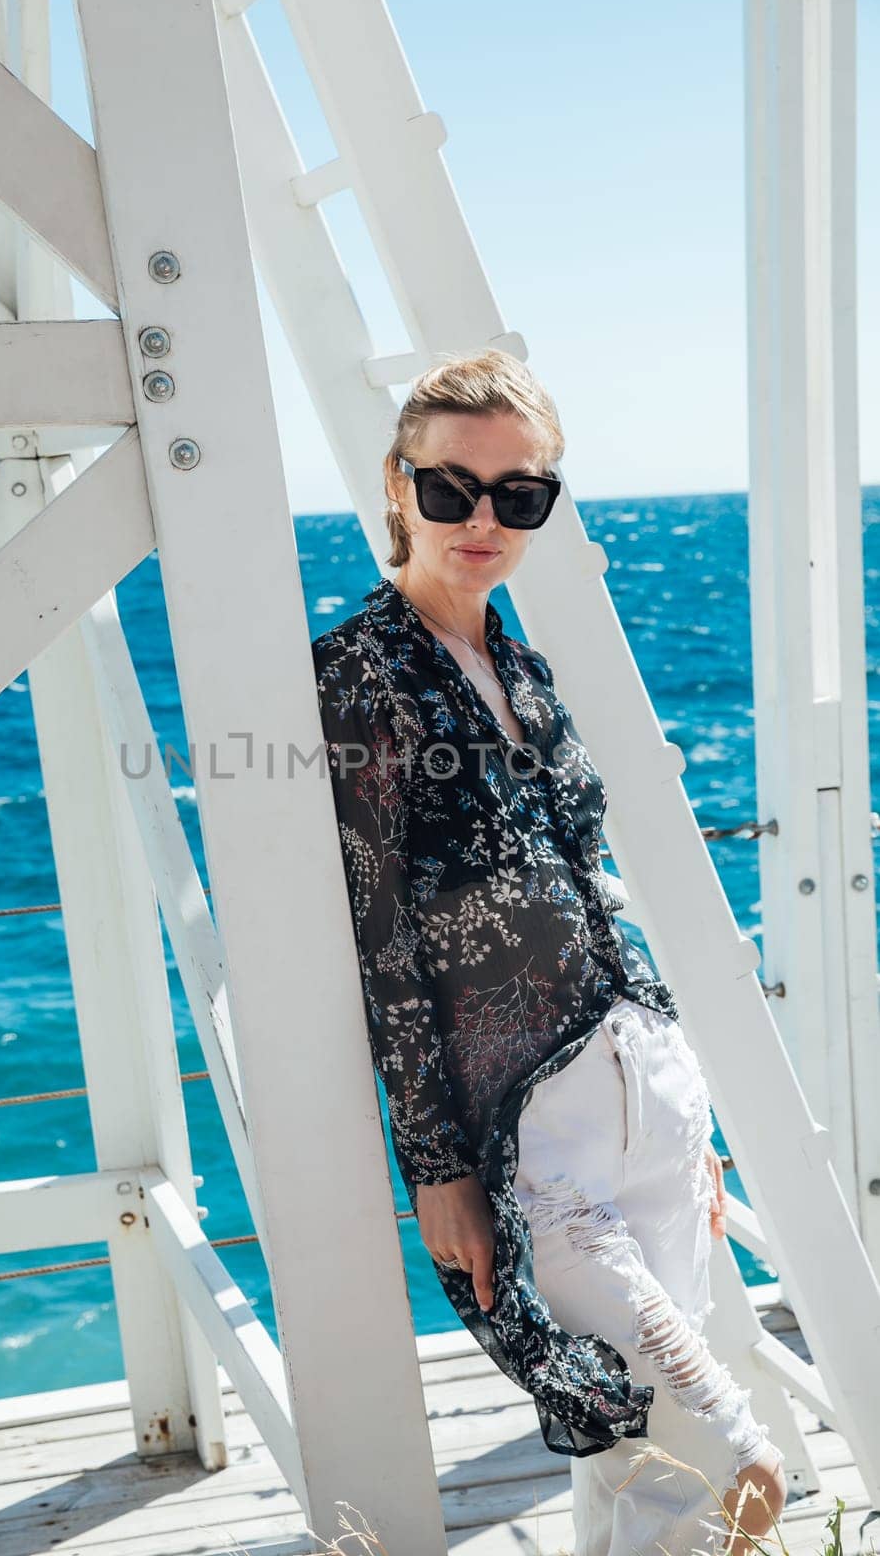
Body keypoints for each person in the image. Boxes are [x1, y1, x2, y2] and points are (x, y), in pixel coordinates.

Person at [310, 350, 787, 1556]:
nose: (482, 520)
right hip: (535, 1145)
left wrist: (682, 1114)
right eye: (452, 488)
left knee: (638, 1475)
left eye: (518, 495)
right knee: (725, 1458)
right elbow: (379, 941)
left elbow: (591, 891)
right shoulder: (358, 674)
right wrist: (434, 1165)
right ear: (395, 485)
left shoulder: (518, 662)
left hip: (649, 1101)